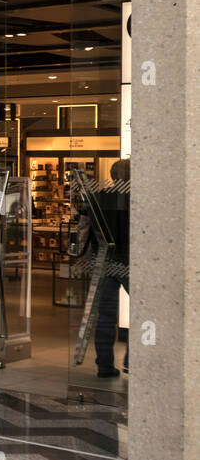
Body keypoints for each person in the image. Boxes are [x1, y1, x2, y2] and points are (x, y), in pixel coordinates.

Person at [91, 158, 131, 377]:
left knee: (105, 314)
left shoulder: (101, 196)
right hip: (127, 260)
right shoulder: (133, 197)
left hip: (105, 260)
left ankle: (104, 365)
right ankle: (132, 359)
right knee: (144, 308)